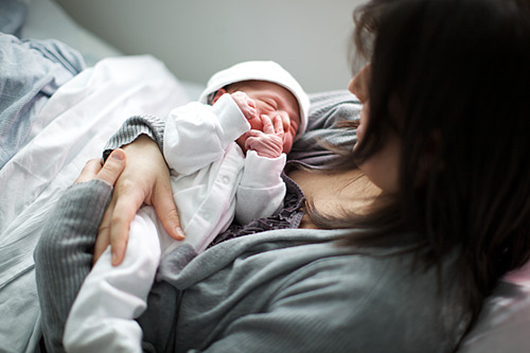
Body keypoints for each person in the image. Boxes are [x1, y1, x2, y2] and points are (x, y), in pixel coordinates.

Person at [34, 0, 530, 352]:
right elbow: (209, 118)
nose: (356, 84)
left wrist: (67, 232)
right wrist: (145, 145)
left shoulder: (370, 311)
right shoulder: (350, 125)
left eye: (388, 82)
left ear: (434, 148)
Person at [57, 60, 310, 351]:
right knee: (126, 267)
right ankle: (96, 333)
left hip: (191, 254)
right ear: (221, 97)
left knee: (155, 306)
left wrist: (265, 164)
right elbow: (178, 153)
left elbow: (253, 215)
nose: (279, 120)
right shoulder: (198, 118)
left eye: (291, 126)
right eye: (269, 103)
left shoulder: (255, 162)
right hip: (149, 220)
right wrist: (228, 118)